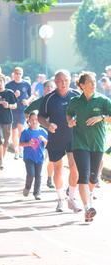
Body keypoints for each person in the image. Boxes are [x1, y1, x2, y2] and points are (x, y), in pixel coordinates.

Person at [67, 71, 111, 222]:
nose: (94, 84)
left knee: (93, 177)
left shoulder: (103, 100)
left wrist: (102, 117)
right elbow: (69, 115)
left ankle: (89, 198)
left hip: (97, 144)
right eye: (90, 82)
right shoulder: (75, 101)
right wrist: (70, 121)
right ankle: (87, 208)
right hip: (80, 143)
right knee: (84, 176)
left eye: (94, 81)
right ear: (81, 85)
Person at [38, 69, 81, 213]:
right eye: (60, 81)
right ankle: (60, 199)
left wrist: (77, 120)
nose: (63, 84)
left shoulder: (76, 96)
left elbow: (83, 113)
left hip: (73, 137)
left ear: (70, 81)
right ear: (55, 82)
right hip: (56, 138)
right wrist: (47, 125)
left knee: (74, 167)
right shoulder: (49, 98)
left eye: (66, 80)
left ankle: (72, 198)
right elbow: (40, 117)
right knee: (57, 168)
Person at [24, 80, 56, 189]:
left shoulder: (56, 101)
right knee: (41, 157)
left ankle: (50, 178)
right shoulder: (39, 101)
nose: (49, 89)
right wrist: (31, 123)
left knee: (52, 157)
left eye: (52, 87)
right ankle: (36, 177)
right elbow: (27, 112)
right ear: (44, 89)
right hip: (39, 133)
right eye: (47, 87)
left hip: (53, 132)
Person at [5, 67, 33, 159]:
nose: (18, 75)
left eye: (19, 73)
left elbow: (31, 96)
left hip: (22, 110)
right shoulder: (9, 85)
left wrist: (27, 101)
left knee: (21, 128)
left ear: (22, 74)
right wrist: (14, 96)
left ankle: (21, 149)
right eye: (16, 73)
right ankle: (16, 151)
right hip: (12, 110)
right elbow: (6, 98)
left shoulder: (26, 84)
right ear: (13, 74)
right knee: (14, 131)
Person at [20, 111, 48, 200]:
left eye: (36, 119)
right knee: (31, 174)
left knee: (38, 175)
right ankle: (27, 187)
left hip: (39, 157)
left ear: (39, 120)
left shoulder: (43, 131)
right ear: (29, 121)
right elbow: (21, 143)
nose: (34, 121)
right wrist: (28, 143)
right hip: (28, 157)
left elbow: (48, 144)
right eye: (32, 120)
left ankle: (37, 193)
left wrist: (44, 140)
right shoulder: (26, 132)